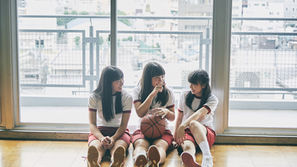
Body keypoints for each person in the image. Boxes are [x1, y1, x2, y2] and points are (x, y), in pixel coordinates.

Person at [131, 62, 175, 167]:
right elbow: (140, 113)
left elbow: (173, 117)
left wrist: (167, 112)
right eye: (157, 78)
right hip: (143, 129)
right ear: (147, 79)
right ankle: (141, 159)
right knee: (140, 145)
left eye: (162, 77)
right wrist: (152, 94)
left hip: (162, 129)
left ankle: (156, 161)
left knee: (161, 146)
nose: (161, 80)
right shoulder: (138, 91)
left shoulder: (168, 92)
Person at [87, 66, 132, 167]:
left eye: (122, 78)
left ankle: (116, 161)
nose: (122, 82)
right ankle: (94, 162)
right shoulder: (94, 97)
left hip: (120, 131)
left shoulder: (127, 97)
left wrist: (113, 138)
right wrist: (101, 138)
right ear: (108, 82)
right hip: (99, 131)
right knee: (96, 147)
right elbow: (92, 124)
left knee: (119, 147)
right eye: (117, 81)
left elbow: (124, 125)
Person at [174, 70, 218, 167]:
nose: (190, 87)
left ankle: (207, 157)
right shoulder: (184, 95)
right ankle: (190, 160)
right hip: (188, 132)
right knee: (188, 148)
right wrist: (176, 136)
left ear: (203, 85)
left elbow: (199, 114)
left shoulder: (212, 99)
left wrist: (182, 126)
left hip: (205, 132)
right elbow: (179, 116)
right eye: (190, 83)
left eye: (194, 84)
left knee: (193, 123)